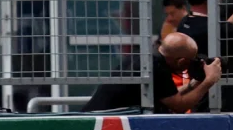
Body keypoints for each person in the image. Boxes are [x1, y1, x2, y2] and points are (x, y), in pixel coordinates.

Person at [82, 32, 220, 114]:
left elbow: (169, 95)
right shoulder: (157, 68)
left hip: (94, 116)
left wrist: (193, 84)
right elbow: (179, 105)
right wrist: (209, 81)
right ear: (181, 61)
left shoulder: (145, 58)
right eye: (191, 61)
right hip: (101, 121)